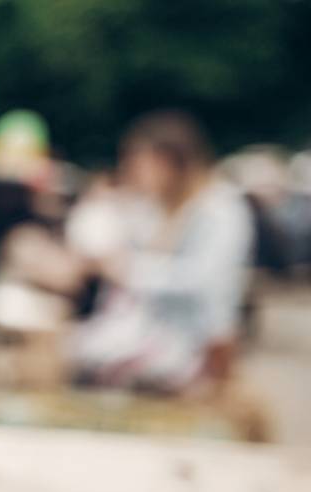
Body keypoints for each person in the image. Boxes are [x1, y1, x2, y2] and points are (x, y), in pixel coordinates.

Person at [70, 110, 255, 391]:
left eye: (139, 164)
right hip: (155, 333)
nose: (132, 173)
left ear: (169, 162)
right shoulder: (159, 207)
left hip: (196, 344)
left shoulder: (221, 209)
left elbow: (203, 282)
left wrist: (127, 270)